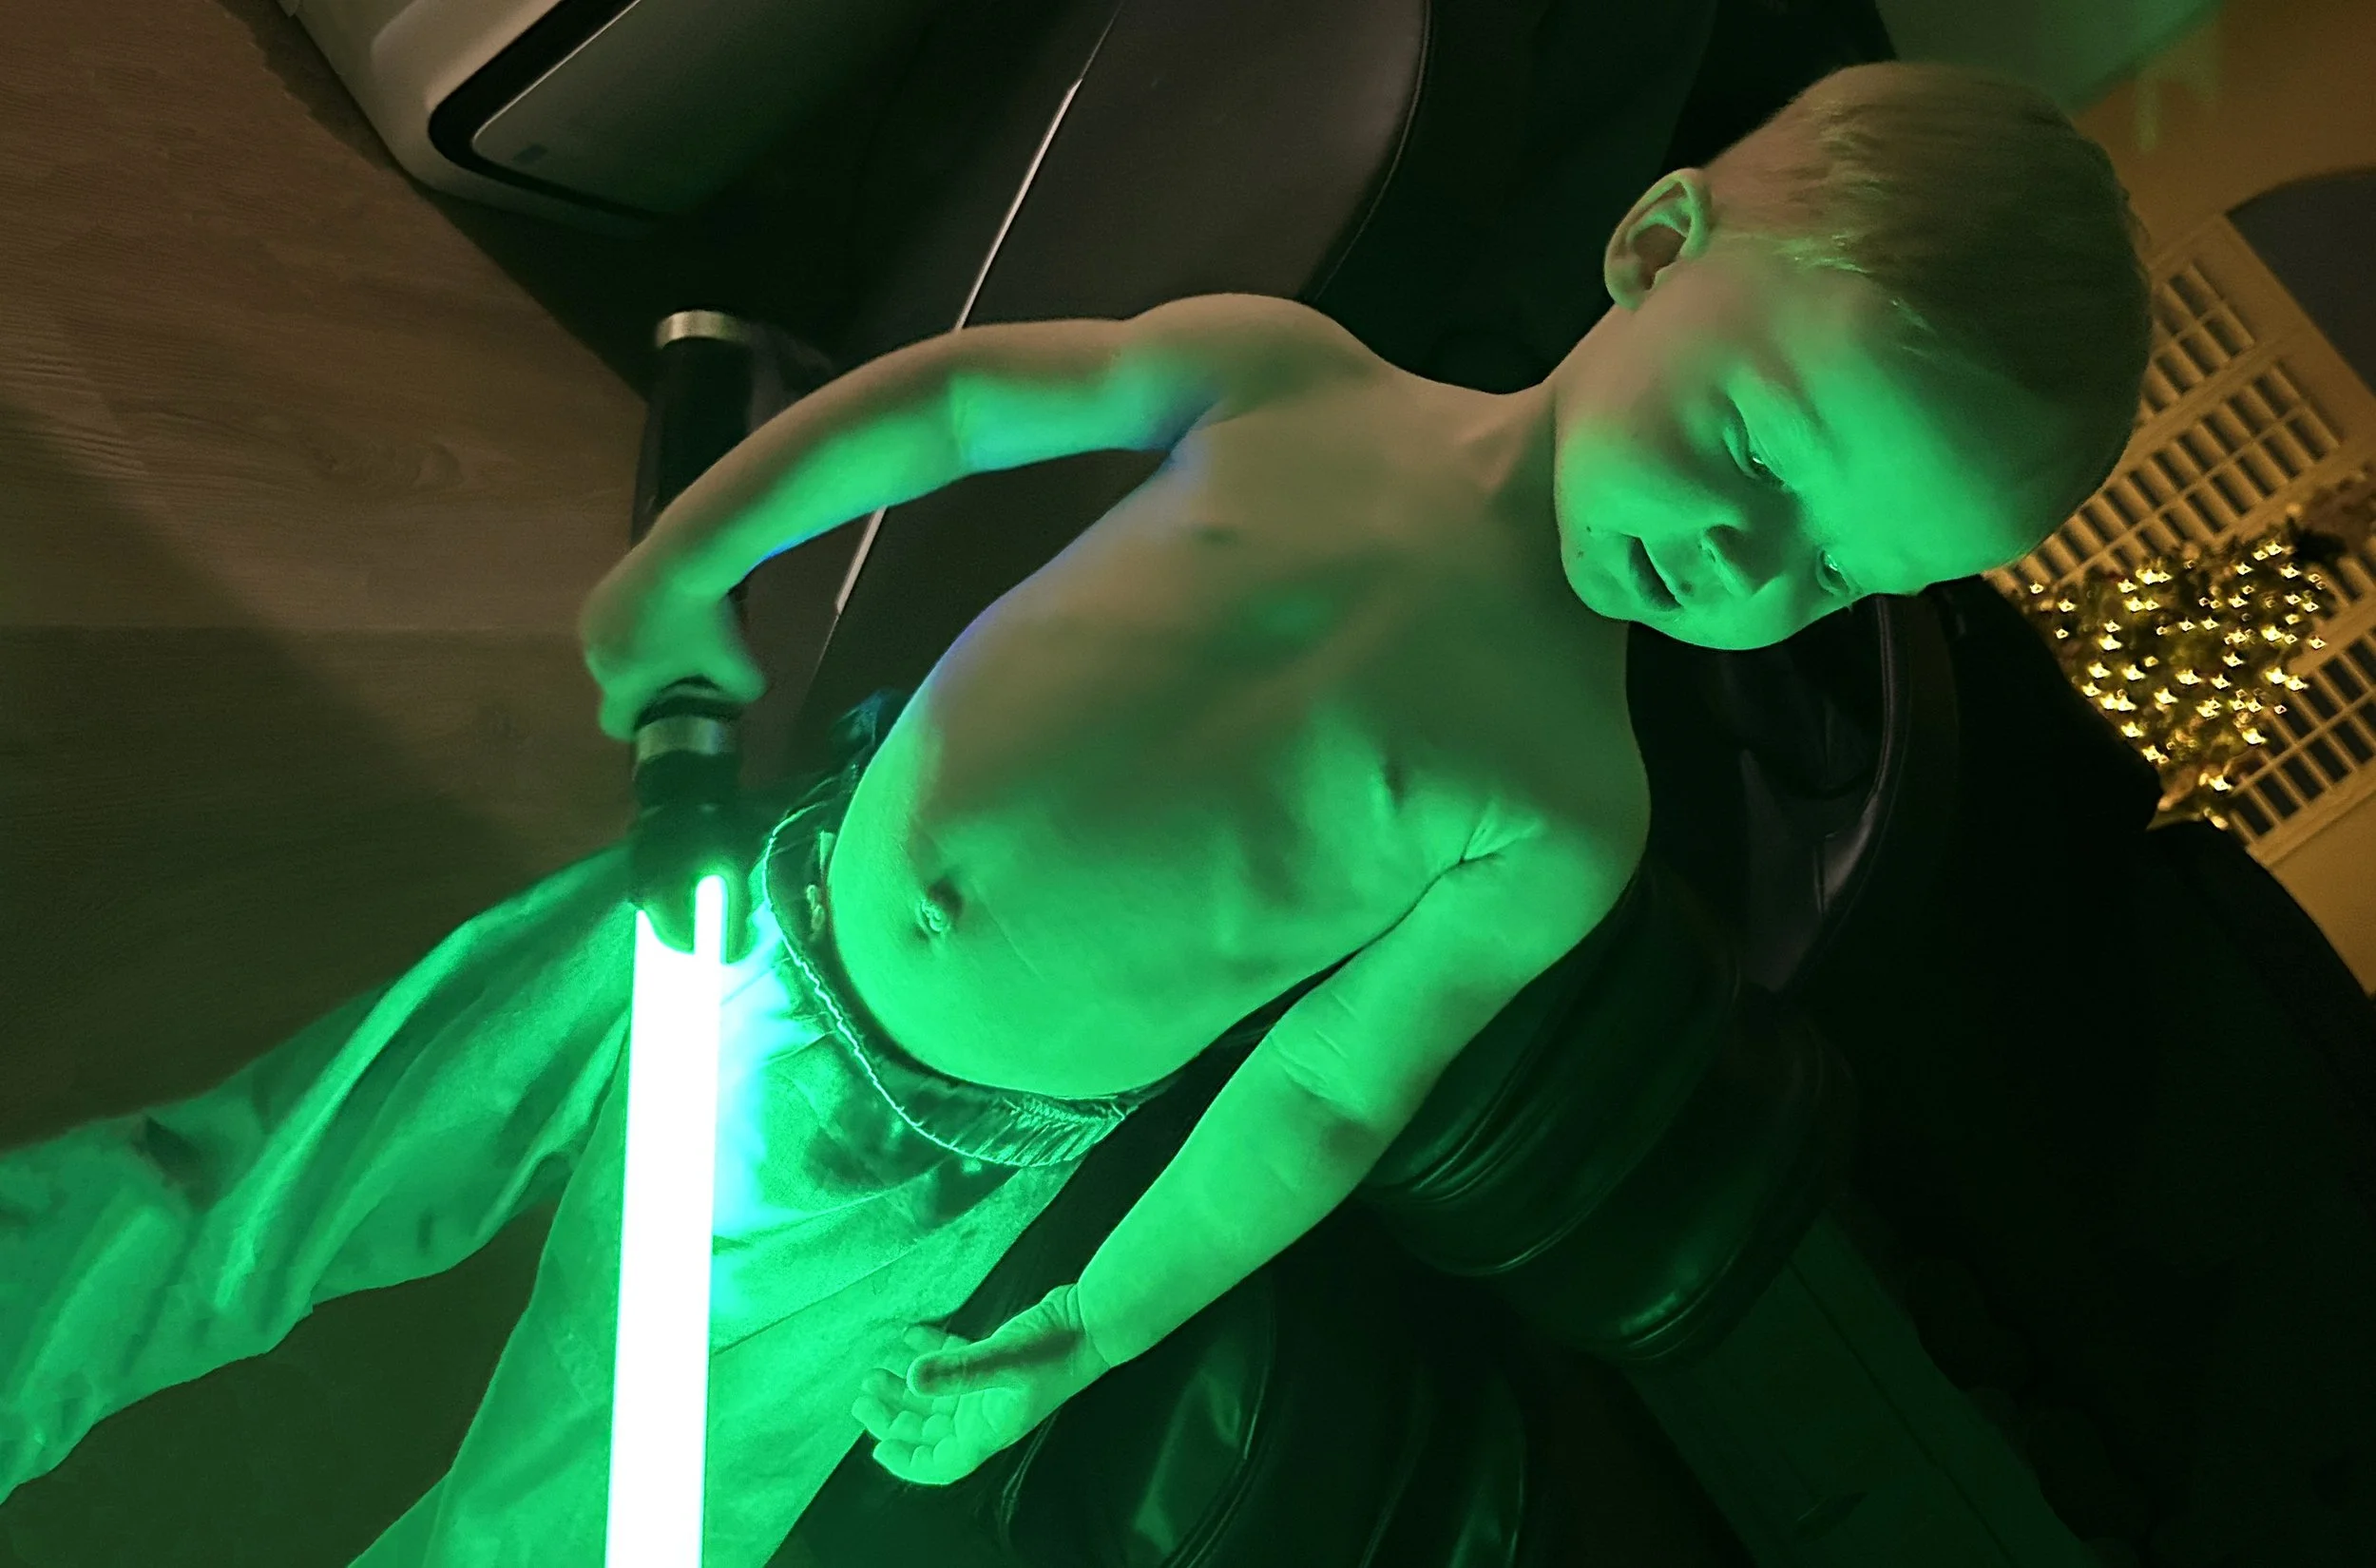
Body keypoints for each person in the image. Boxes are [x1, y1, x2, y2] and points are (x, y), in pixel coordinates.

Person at [1, 60, 2150, 1566]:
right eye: (1759, 446)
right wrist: (691, 563)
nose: (1754, 559)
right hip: (737, 914)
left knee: (605, 1514)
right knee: (268, 1175)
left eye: (1839, 569)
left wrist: (1071, 1337)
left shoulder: (1561, 808)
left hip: (908, 1184)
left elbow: (1319, 1095)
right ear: (1655, 245)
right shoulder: (1289, 379)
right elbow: (958, 410)